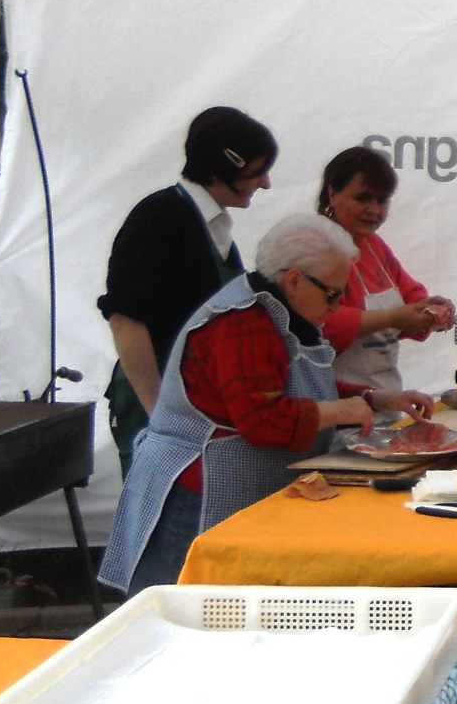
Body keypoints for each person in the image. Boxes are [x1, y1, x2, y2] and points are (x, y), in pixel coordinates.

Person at [99, 214, 433, 594]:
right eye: (332, 294)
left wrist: (373, 398)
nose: (337, 306)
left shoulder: (281, 313)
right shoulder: (241, 325)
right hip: (195, 496)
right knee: (176, 608)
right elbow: (264, 420)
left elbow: (300, 385)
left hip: (229, 489)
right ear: (294, 279)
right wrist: (342, 411)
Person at [98, 108, 277, 476]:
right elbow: (125, 320)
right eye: (258, 171)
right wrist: (160, 415)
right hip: (159, 406)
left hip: (196, 406)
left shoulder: (214, 226)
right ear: (225, 165)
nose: (266, 183)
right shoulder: (159, 217)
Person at [316, 146, 455, 391]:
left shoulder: (374, 245)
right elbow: (320, 324)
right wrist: (392, 318)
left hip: (383, 396)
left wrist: (430, 311)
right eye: (362, 199)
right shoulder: (314, 246)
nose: (374, 210)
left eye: (382, 200)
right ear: (332, 194)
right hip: (332, 399)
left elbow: (409, 295)